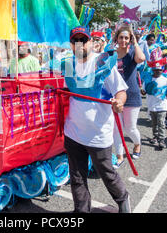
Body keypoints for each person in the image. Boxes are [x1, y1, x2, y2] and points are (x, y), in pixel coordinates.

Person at [61, 26, 131, 213]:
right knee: (77, 177)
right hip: (73, 132)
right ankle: (81, 211)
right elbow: (66, 91)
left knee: (107, 174)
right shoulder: (67, 64)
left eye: (83, 40)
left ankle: (123, 199)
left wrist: (119, 102)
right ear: (71, 44)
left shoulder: (102, 62)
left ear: (90, 42)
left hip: (98, 134)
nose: (79, 44)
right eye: (75, 41)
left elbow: (121, 91)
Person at [112, 25, 146, 167]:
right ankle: (119, 156)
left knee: (130, 128)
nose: (123, 40)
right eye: (121, 37)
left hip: (132, 95)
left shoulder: (132, 52)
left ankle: (137, 144)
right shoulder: (111, 54)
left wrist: (135, 42)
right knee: (116, 128)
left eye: (126, 38)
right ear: (117, 38)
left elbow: (141, 58)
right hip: (115, 96)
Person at [142, 48, 167, 150]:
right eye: (156, 70)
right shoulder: (148, 79)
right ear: (152, 70)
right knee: (154, 123)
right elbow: (144, 92)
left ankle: (162, 139)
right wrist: (142, 90)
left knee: (161, 123)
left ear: (162, 70)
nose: (158, 71)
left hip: (162, 106)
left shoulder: (165, 80)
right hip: (152, 105)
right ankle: (155, 136)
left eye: (160, 69)